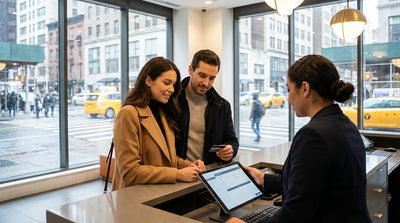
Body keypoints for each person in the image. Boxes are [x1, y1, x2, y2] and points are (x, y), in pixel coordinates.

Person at [226, 55, 372, 223]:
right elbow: (310, 185)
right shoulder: (344, 124)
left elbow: (296, 215)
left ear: (304, 88)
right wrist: (263, 178)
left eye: (288, 90)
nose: (287, 98)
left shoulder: (313, 135)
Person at [112, 57, 205, 191]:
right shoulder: (129, 114)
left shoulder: (163, 112)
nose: (172, 89)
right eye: (166, 83)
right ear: (148, 80)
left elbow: (167, 159)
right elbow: (129, 172)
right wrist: (178, 174)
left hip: (158, 195)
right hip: (135, 200)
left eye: (173, 84)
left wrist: (189, 165)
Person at [175, 49, 239, 165]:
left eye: (211, 78)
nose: (206, 83)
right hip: (178, 173)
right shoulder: (172, 100)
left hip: (208, 174)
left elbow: (231, 140)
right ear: (191, 70)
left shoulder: (222, 106)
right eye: (202, 75)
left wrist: (230, 150)